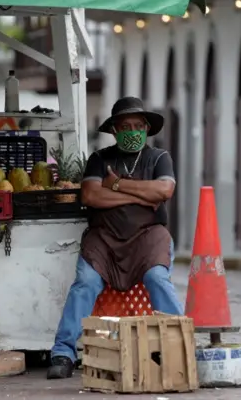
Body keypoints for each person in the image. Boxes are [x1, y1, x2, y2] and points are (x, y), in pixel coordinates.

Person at [47, 96, 184, 380]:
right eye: (124, 126)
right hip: (105, 239)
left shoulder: (160, 158)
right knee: (85, 283)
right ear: (114, 131)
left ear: (146, 128)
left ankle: (179, 346)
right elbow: (91, 195)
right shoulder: (100, 159)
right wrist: (141, 195)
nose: (131, 131)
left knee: (158, 278)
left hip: (148, 237)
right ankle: (63, 353)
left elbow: (164, 192)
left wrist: (118, 185)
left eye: (137, 125)